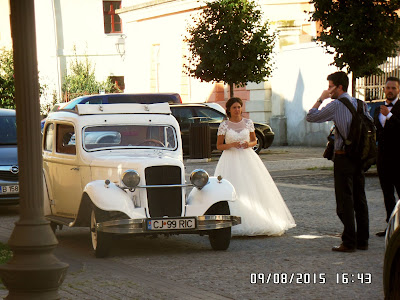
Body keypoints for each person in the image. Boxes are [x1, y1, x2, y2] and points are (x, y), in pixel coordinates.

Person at [306, 71, 370, 252]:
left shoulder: (335, 105)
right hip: (359, 156)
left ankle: (349, 242)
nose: (328, 90)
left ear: (339, 87)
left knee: (344, 201)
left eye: (330, 86)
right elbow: (369, 124)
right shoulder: (360, 103)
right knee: (360, 198)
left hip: (343, 156)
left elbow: (311, 116)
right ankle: (362, 240)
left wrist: (321, 98)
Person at [214, 97, 296, 236]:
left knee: (253, 186)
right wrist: (231, 145)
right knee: (234, 186)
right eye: (234, 107)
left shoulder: (248, 123)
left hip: (248, 158)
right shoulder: (224, 125)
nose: (237, 110)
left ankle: (260, 219)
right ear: (229, 109)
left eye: (239, 107)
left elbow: (254, 140)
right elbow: (219, 145)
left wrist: (249, 144)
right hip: (230, 159)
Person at [374, 77, 400, 237]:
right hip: (383, 159)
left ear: (398, 90)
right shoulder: (378, 109)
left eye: (393, 88)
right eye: (388, 88)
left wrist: (390, 115)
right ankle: (391, 227)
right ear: (384, 89)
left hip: (398, 159)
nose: (390, 91)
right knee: (387, 194)